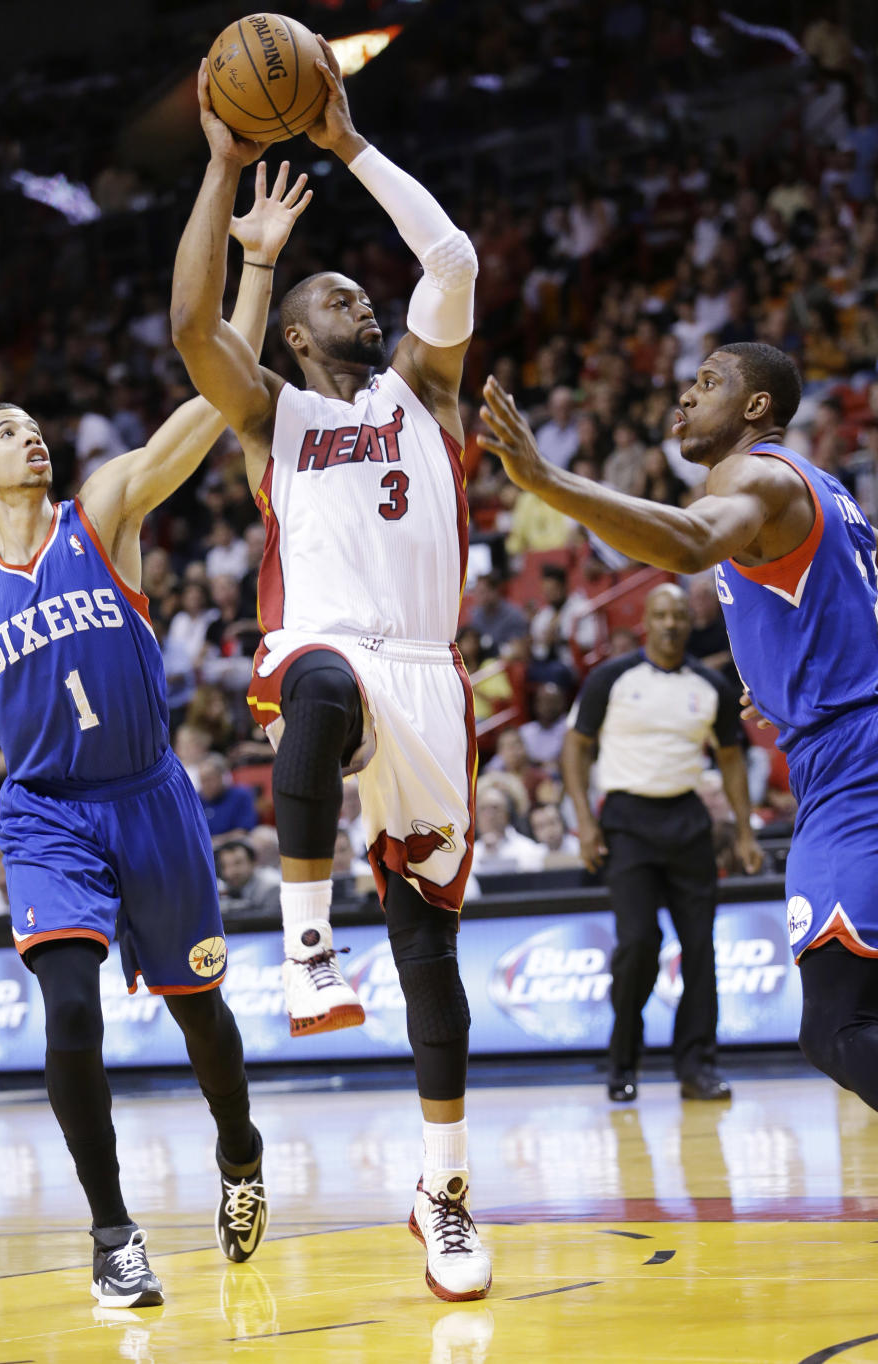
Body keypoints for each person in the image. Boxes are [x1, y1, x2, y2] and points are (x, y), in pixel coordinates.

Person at [0, 164, 310, 1307]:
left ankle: (237, 1146)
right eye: (7, 431)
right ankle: (112, 1232)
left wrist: (256, 264)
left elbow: (210, 398)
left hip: (149, 797)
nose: (29, 439)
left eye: (35, 426)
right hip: (47, 814)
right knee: (74, 1011)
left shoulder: (107, 507)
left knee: (204, 1020)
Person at [170, 45, 491, 1302]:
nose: (364, 300)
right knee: (309, 681)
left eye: (367, 290)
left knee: (431, 964)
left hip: (430, 682)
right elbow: (196, 328)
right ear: (295, 336)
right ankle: (306, 945)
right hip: (333, 653)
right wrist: (219, 164)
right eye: (340, 295)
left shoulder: (426, 385)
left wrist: (350, 140)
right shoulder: (271, 420)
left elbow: (451, 262)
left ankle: (444, 1191)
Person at [479, 339, 878, 1132]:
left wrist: (548, 480)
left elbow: (691, 545)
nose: (685, 397)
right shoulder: (826, 489)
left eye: (709, 383)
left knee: (838, 1027)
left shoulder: (753, 474)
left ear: (756, 407)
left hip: (854, 767)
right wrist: (785, 681)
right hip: (844, 739)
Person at [563, 584, 762, 1103]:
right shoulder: (612, 677)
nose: (672, 624)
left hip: (687, 820)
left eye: (679, 615)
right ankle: (623, 1062)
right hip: (627, 823)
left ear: (687, 622)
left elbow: (731, 759)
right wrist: (585, 821)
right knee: (638, 944)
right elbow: (576, 748)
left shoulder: (710, 685)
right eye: (661, 615)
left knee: (700, 948)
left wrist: (744, 830)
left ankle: (697, 1067)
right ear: (646, 622)